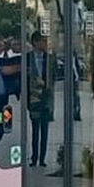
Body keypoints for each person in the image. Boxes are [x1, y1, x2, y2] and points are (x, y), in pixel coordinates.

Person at [26, 31, 56, 167]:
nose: (45, 44)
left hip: (46, 98)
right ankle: (34, 157)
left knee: (45, 129)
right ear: (35, 43)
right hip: (33, 98)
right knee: (35, 128)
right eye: (42, 41)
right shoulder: (27, 58)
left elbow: (53, 77)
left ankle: (42, 158)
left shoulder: (50, 59)